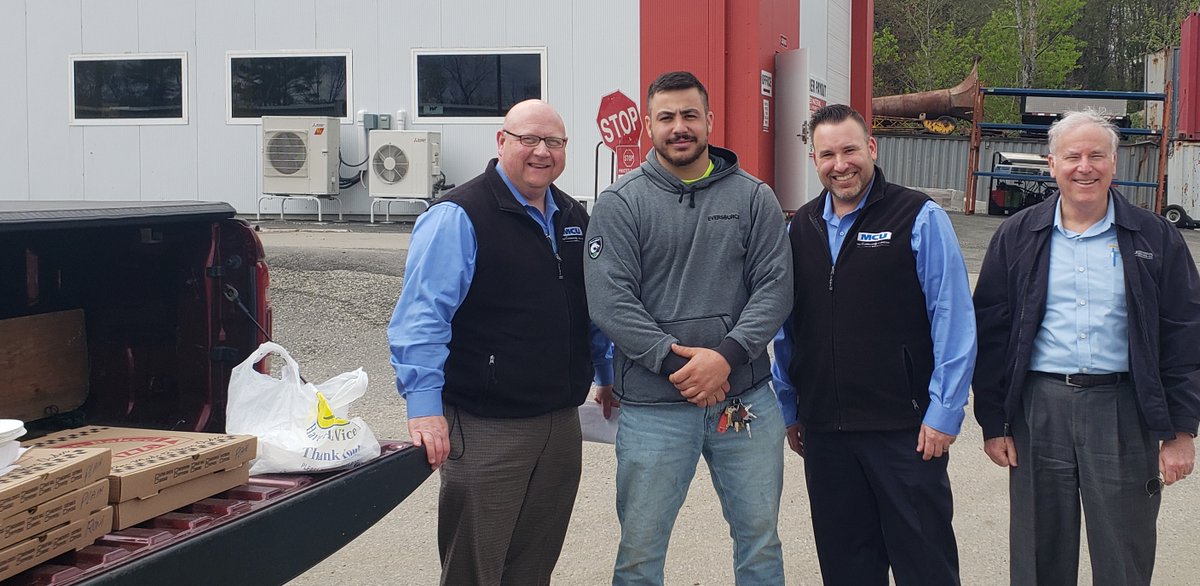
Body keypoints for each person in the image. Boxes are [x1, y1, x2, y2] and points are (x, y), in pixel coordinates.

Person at [387, 99, 614, 586]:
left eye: (553, 142)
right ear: (501, 141)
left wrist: (608, 375)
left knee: (533, 566)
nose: (541, 152)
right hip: (487, 426)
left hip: (559, 423)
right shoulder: (460, 215)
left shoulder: (572, 216)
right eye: (529, 139)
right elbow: (421, 319)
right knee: (476, 568)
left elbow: (590, 307)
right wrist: (423, 406)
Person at [583, 71, 792, 585]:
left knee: (760, 541)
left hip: (741, 398)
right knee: (639, 551)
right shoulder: (621, 202)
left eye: (690, 115)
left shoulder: (753, 197)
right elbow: (610, 301)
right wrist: (683, 364)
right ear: (649, 126)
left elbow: (776, 288)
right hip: (654, 408)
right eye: (667, 117)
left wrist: (725, 357)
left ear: (709, 121)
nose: (680, 127)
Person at [973, 109, 1199, 585]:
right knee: (1039, 554)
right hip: (1040, 409)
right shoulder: (1018, 236)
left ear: (1114, 163)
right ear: (1051, 165)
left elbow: (1184, 334)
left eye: (1096, 155)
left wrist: (1181, 430)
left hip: (1122, 408)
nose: (1085, 166)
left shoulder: (1154, 237)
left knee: (1124, 552)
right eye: (1072, 156)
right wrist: (994, 422)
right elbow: (990, 334)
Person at [771, 103, 976, 585]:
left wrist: (944, 409)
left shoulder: (918, 215)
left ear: (871, 148)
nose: (840, 164)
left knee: (924, 562)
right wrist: (790, 407)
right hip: (826, 432)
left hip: (906, 431)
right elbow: (786, 327)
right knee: (846, 567)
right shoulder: (799, 227)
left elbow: (953, 318)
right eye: (827, 154)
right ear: (814, 160)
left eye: (849, 150)